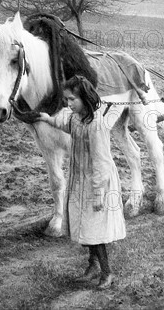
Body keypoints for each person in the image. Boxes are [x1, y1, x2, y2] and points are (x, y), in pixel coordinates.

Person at [37, 75, 126, 290]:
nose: (68, 104)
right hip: (81, 180)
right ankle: (92, 266)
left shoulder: (96, 126)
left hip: (98, 182)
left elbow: (101, 162)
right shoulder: (76, 118)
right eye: (66, 99)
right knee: (85, 226)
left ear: (84, 98)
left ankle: (106, 272)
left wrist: (98, 194)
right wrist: (47, 119)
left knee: (96, 230)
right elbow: (65, 123)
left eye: (71, 100)